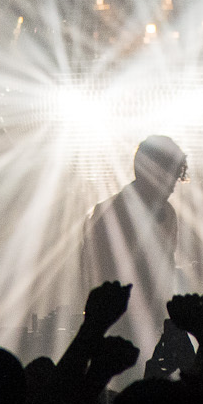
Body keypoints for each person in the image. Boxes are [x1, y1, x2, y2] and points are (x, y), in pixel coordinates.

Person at [80, 135, 187, 350]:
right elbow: (92, 278)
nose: (174, 187)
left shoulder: (168, 214)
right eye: (171, 177)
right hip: (114, 329)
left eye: (176, 177)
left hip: (155, 327)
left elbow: (166, 269)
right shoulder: (106, 215)